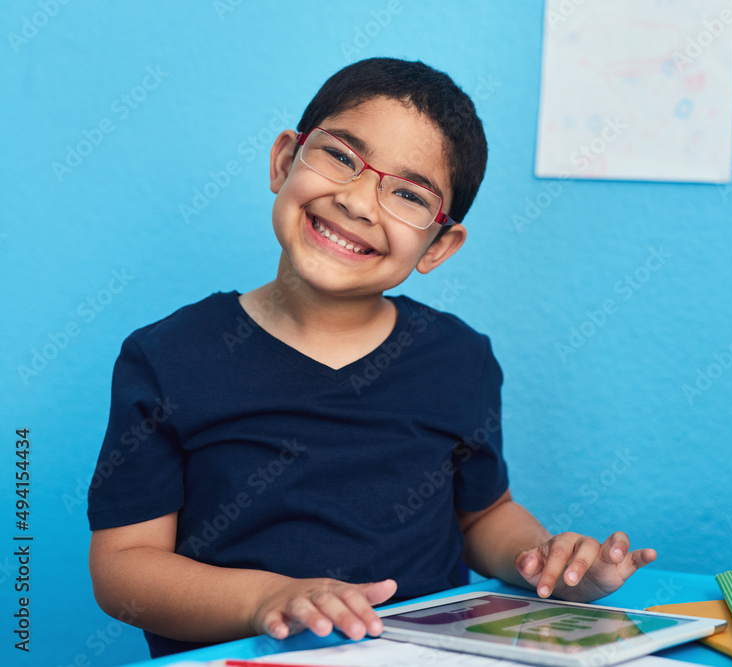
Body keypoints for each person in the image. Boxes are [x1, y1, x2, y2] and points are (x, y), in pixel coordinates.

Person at [87, 57, 657, 658]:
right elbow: (124, 568)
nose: (359, 202)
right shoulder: (168, 356)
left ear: (439, 246)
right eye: (340, 157)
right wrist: (266, 601)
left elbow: (484, 515)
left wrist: (547, 565)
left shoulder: (459, 358)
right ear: (285, 161)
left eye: (408, 194)